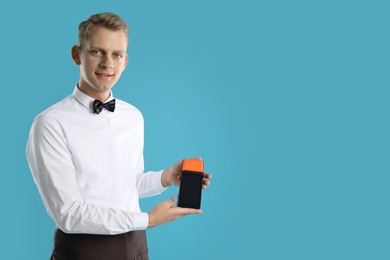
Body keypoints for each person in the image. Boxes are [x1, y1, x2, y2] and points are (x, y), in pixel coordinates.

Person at [26, 12, 212, 260]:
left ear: (125, 61)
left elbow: (127, 184)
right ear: (76, 55)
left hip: (136, 246)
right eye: (97, 52)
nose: (107, 63)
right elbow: (68, 214)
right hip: (84, 251)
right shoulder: (50, 124)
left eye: (116, 54)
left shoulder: (133, 116)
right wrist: (148, 219)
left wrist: (165, 178)